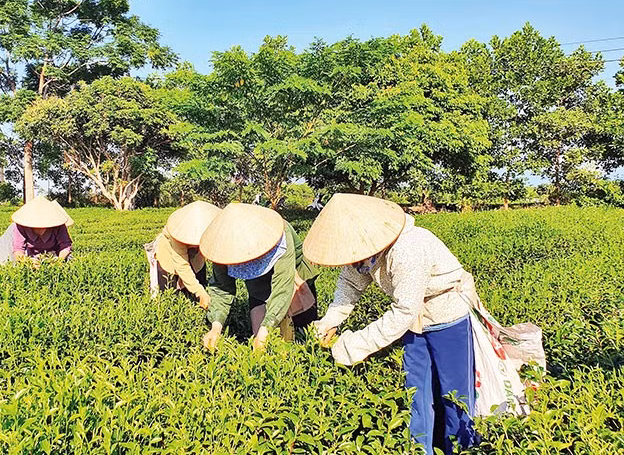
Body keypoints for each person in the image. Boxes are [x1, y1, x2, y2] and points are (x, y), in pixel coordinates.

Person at [303, 193, 481, 455]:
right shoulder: (363, 250)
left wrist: (353, 345)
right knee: (415, 392)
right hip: (415, 325)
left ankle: (461, 449)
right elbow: (350, 285)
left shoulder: (408, 249)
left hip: (446, 319)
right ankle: (419, 449)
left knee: (455, 395)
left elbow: (404, 311)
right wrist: (330, 321)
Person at [199, 203, 319, 351]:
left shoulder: (279, 231)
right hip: (257, 286)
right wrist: (216, 326)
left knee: (303, 338)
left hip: (293, 280)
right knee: (260, 343)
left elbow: (283, 287)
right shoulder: (222, 246)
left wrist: (266, 327)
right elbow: (222, 288)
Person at [149, 201, 221, 309]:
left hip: (196, 259)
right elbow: (182, 266)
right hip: (169, 259)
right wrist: (200, 292)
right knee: (167, 298)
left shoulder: (210, 231)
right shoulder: (176, 233)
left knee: (194, 297)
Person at [0, 196, 73, 267]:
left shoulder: (58, 226)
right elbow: (18, 249)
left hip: (53, 255)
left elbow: (65, 246)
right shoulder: (20, 226)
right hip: (29, 256)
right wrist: (27, 262)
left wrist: (58, 261)